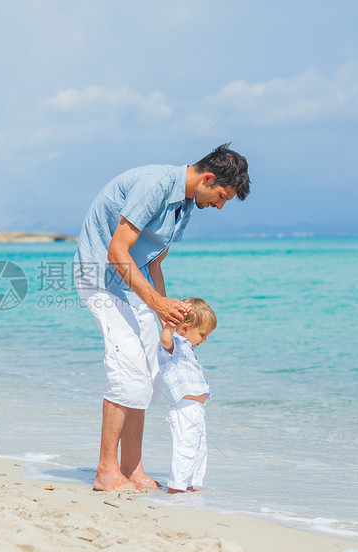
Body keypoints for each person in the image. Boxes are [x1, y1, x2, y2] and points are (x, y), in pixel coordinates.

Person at [73, 143, 250, 491]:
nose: (219, 205)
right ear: (208, 178)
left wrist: (166, 311)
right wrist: (156, 303)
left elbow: (153, 262)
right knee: (128, 376)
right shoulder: (154, 186)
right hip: (100, 280)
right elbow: (116, 252)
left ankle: (132, 469)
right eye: (221, 196)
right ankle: (105, 472)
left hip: (132, 285)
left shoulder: (185, 207)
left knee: (151, 376)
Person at [158, 297, 216, 494]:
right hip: (185, 409)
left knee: (198, 448)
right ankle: (176, 487)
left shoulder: (187, 348)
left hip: (196, 409)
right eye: (202, 334)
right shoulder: (174, 344)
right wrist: (170, 325)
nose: (204, 339)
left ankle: (189, 485)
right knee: (186, 448)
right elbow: (165, 339)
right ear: (184, 329)